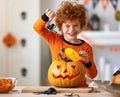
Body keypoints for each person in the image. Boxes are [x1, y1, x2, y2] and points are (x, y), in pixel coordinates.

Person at [33, 1, 98, 87]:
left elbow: (93, 75)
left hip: (80, 88)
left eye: (75, 25)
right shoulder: (54, 39)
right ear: (61, 27)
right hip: (58, 88)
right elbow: (37, 27)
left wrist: (87, 62)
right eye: (67, 26)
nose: (71, 30)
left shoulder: (86, 47)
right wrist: (45, 17)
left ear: (81, 26)